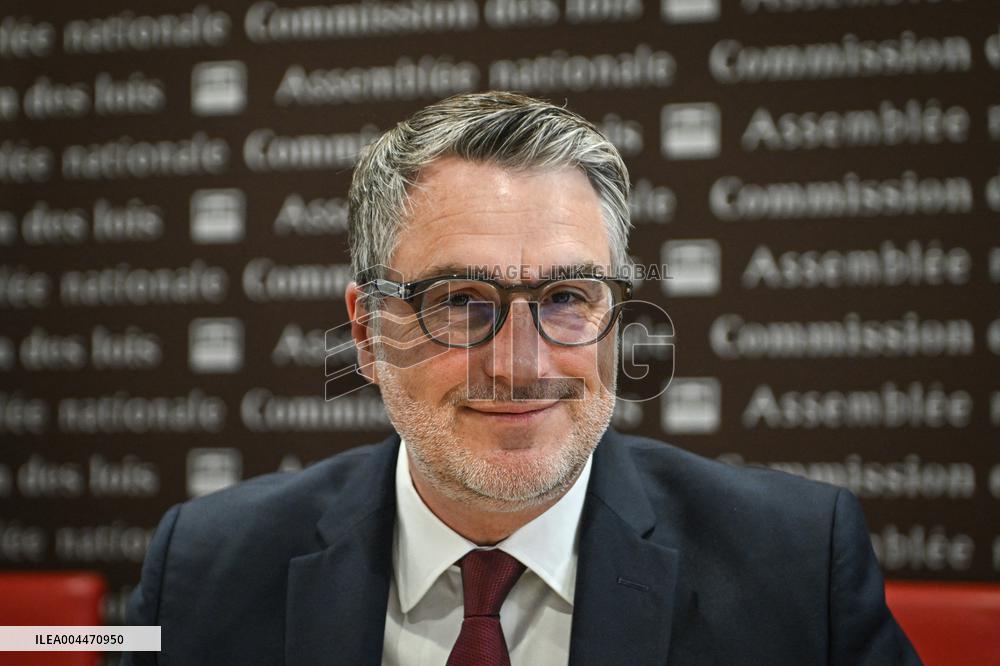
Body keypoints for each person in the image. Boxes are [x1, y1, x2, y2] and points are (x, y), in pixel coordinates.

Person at [123, 91, 921, 665]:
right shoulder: (207, 569)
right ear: (367, 333)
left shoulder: (795, 568)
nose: (520, 362)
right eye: (461, 302)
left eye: (568, 297)